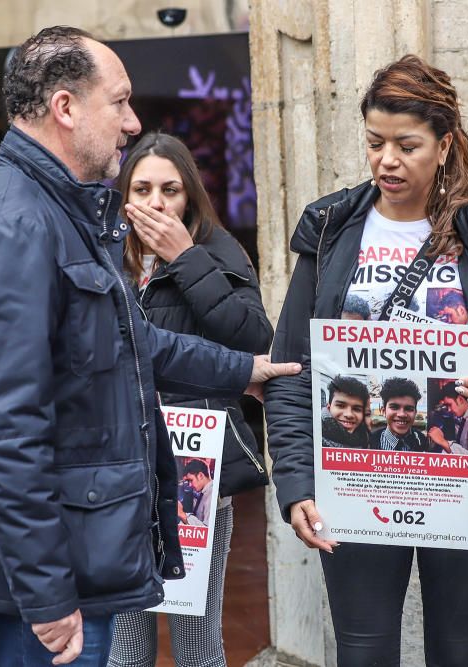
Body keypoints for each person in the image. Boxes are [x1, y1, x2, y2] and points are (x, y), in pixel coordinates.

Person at [0, 26, 298, 667]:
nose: (132, 122)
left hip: (70, 560)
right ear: (66, 108)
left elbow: (128, 339)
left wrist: (239, 370)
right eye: (119, 102)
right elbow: (3, 429)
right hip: (49, 586)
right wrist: (45, 593)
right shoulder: (17, 225)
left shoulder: (55, 212)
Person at [265, 55, 468, 665]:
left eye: (407, 145)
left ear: (445, 143)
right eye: (375, 144)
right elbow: (292, 370)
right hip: (354, 483)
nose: (387, 162)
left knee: (458, 651)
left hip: (463, 483)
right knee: (365, 651)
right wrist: (296, 484)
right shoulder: (330, 230)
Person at [107, 130, 273, 667]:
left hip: (195, 464)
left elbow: (252, 340)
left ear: (190, 198)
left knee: (195, 636)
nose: (156, 204)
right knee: (125, 639)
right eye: (143, 189)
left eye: (170, 190)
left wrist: (185, 258)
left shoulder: (218, 250)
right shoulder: (103, 254)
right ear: (123, 195)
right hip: (121, 466)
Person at [367, 377, 428, 452]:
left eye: (408, 409)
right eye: (394, 407)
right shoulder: (368, 443)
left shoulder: (424, 443)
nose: (402, 414)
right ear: (383, 411)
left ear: (415, 412)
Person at [427, 380, 468, 455]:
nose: (449, 410)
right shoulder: (466, 419)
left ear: (460, 400)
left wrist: (443, 442)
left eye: (449, 405)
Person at [321, 375, 371, 448]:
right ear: (329, 408)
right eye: (341, 406)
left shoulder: (368, 439)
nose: (349, 415)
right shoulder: (312, 434)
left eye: (356, 409)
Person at [177, 459, 214, 527]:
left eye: (191, 480)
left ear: (200, 475)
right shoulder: (203, 493)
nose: (190, 485)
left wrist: (182, 514)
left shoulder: (211, 494)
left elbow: (207, 530)